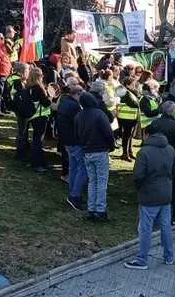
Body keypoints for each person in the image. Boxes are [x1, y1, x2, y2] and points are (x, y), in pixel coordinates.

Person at [125, 124, 175, 270]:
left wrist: (140, 189)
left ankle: (142, 259)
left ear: (147, 135)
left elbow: (138, 176)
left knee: (145, 228)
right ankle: (168, 256)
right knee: (166, 226)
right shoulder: (170, 149)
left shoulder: (144, 152)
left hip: (149, 195)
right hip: (166, 194)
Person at [75, 92, 115, 221]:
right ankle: (100, 210)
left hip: (87, 151)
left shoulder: (79, 116)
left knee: (92, 181)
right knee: (101, 181)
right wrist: (111, 145)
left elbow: (77, 133)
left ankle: (91, 208)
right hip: (100, 150)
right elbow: (108, 133)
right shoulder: (99, 114)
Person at [149, 101, 175, 224]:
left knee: (155, 184)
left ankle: (156, 212)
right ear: (174, 111)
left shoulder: (154, 124)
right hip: (172, 160)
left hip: (154, 158)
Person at [57, 82, 86, 210]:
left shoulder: (64, 101)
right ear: (77, 94)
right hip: (75, 140)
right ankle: (75, 195)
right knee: (82, 168)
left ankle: (72, 191)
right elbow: (79, 124)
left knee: (73, 166)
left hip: (66, 140)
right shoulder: (75, 107)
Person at [23, 67, 53, 171]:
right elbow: (46, 103)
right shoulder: (38, 88)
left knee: (36, 139)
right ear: (39, 76)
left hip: (33, 116)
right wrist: (51, 96)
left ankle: (39, 162)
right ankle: (37, 164)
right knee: (38, 141)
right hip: (41, 116)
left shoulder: (28, 87)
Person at [7, 63, 29, 159]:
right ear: (22, 72)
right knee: (22, 131)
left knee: (22, 130)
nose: (29, 73)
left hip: (17, 108)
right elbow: (20, 96)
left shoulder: (13, 78)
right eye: (27, 71)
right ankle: (20, 153)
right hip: (20, 109)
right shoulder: (17, 81)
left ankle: (22, 149)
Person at [116, 78, 141, 161]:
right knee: (126, 136)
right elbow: (135, 103)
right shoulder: (125, 92)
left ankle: (129, 152)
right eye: (132, 84)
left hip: (130, 117)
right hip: (126, 118)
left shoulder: (127, 91)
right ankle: (125, 154)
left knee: (129, 137)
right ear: (127, 85)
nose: (134, 86)